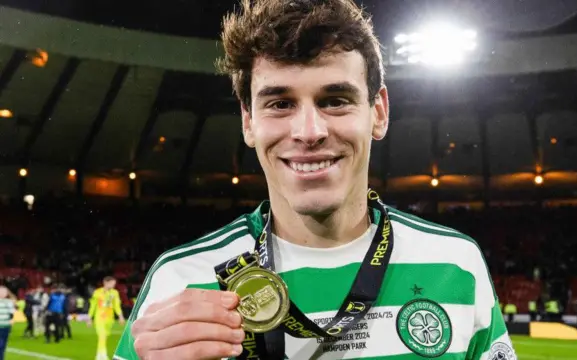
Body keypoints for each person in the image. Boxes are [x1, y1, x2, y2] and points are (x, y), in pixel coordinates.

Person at [113, 0, 515, 359]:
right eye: (280, 103)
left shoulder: (456, 265)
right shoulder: (179, 281)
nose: (309, 131)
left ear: (378, 111)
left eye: (335, 100)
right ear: (248, 121)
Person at [88, 276, 124, 360]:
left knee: (104, 336)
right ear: (105, 282)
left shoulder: (115, 293)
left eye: (114, 284)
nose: (113, 285)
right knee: (102, 335)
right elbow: (93, 306)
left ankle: (99, 354)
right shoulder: (97, 292)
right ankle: (103, 356)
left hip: (109, 319)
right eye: (112, 283)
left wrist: (120, 316)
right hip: (99, 317)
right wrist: (89, 318)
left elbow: (117, 306)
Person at [0, 286, 16, 360]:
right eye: (1, 291)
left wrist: (12, 321)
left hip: (5, 327)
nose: (2, 293)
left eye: (4, 292)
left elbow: (12, 314)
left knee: (2, 346)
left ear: (7, 293)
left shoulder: (9, 302)